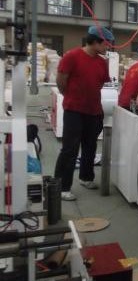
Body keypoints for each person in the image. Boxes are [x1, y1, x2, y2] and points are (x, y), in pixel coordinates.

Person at [54, 25, 114, 201]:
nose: (108, 47)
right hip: (74, 110)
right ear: (95, 42)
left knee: (90, 146)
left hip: (94, 111)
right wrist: (71, 96)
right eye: (106, 43)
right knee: (69, 149)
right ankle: (62, 187)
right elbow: (61, 80)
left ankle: (86, 177)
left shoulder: (101, 62)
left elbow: (99, 84)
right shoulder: (72, 56)